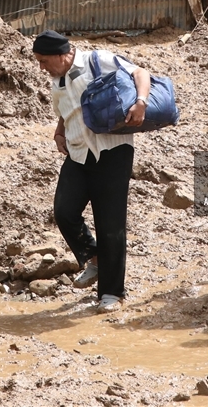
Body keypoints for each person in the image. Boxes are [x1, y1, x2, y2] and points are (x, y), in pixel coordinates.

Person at [32, 30, 150, 314]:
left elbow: (140, 73)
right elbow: (64, 108)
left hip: (112, 150)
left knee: (110, 224)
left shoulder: (98, 60)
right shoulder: (56, 79)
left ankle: (111, 292)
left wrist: (141, 102)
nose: (41, 67)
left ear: (63, 55)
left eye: (44, 60)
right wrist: (59, 130)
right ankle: (94, 257)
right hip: (77, 151)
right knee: (64, 210)